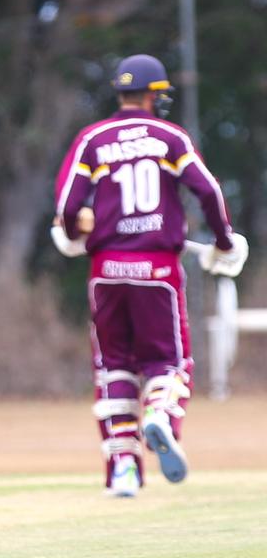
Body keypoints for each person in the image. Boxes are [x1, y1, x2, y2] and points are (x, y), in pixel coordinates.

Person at [53, 54, 246, 497]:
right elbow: (208, 191)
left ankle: (123, 466)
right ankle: (160, 412)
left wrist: (74, 231)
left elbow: (67, 207)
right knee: (170, 364)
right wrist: (223, 242)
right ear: (154, 94)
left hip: (106, 270)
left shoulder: (93, 139)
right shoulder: (169, 137)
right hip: (158, 268)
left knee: (113, 366)